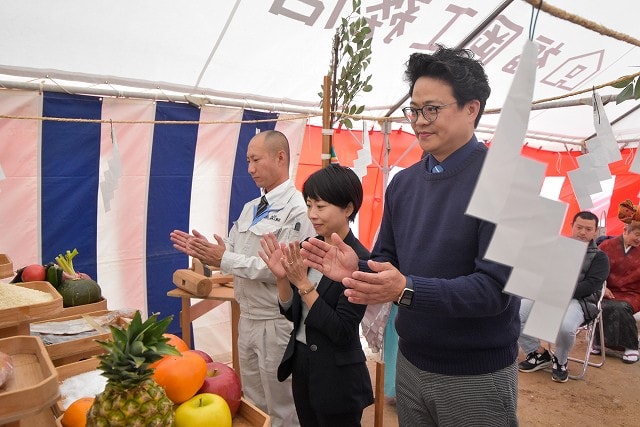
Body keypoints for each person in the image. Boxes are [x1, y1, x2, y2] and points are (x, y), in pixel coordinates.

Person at [301, 46, 519, 426]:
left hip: (475, 375)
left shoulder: (506, 181)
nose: (419, 121)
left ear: (472, 108)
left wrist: (406, 289)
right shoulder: (404, 183)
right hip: (411, 362)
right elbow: (388, 262)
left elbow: (495, 290)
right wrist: (359, 267)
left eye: (432, 109)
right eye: (414, 110)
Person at [170, 129, 314, 427]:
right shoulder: (252, 208)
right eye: (247, 160)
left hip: (276, 323)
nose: (249, 168)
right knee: (252, 400)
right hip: (247, 317)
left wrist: (223, 257)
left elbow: (280, 267)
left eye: (255, 160)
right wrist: (215, 251)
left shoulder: (297, 210)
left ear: (280, 157)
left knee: (282, 404)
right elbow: (235, 251)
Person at [258, 165, 374, 427]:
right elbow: (292, 313)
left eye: (320, 207)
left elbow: (342, 330)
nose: (312, 215)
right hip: (303, 365)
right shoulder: (309, 249)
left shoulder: (361, 260)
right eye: (309, 205)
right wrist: (281, 278)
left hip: (338, 376)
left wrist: (302, 283)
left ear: (348, 208)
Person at [517, 211, 609, 382]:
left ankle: (560, 360)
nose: (583, 232)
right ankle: (537, 354)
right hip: (550, 295)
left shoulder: (600, 257)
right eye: (579, 227)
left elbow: (590, 286)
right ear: (571, 226)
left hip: (579, 301)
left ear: (596, 232)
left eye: (588, 229)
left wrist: (558, 291)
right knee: (516, 313)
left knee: (566, 326)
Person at [596, 211, 640, 363]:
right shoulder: (606, 246)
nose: (639, 239)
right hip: (607, 289)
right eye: (637, 234)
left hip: (634, 292)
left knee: (621, 306)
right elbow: (595, 270)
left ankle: (631, 346)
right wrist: (602, 287)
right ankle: (599, 342)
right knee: (598, 304)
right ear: (625, 231)